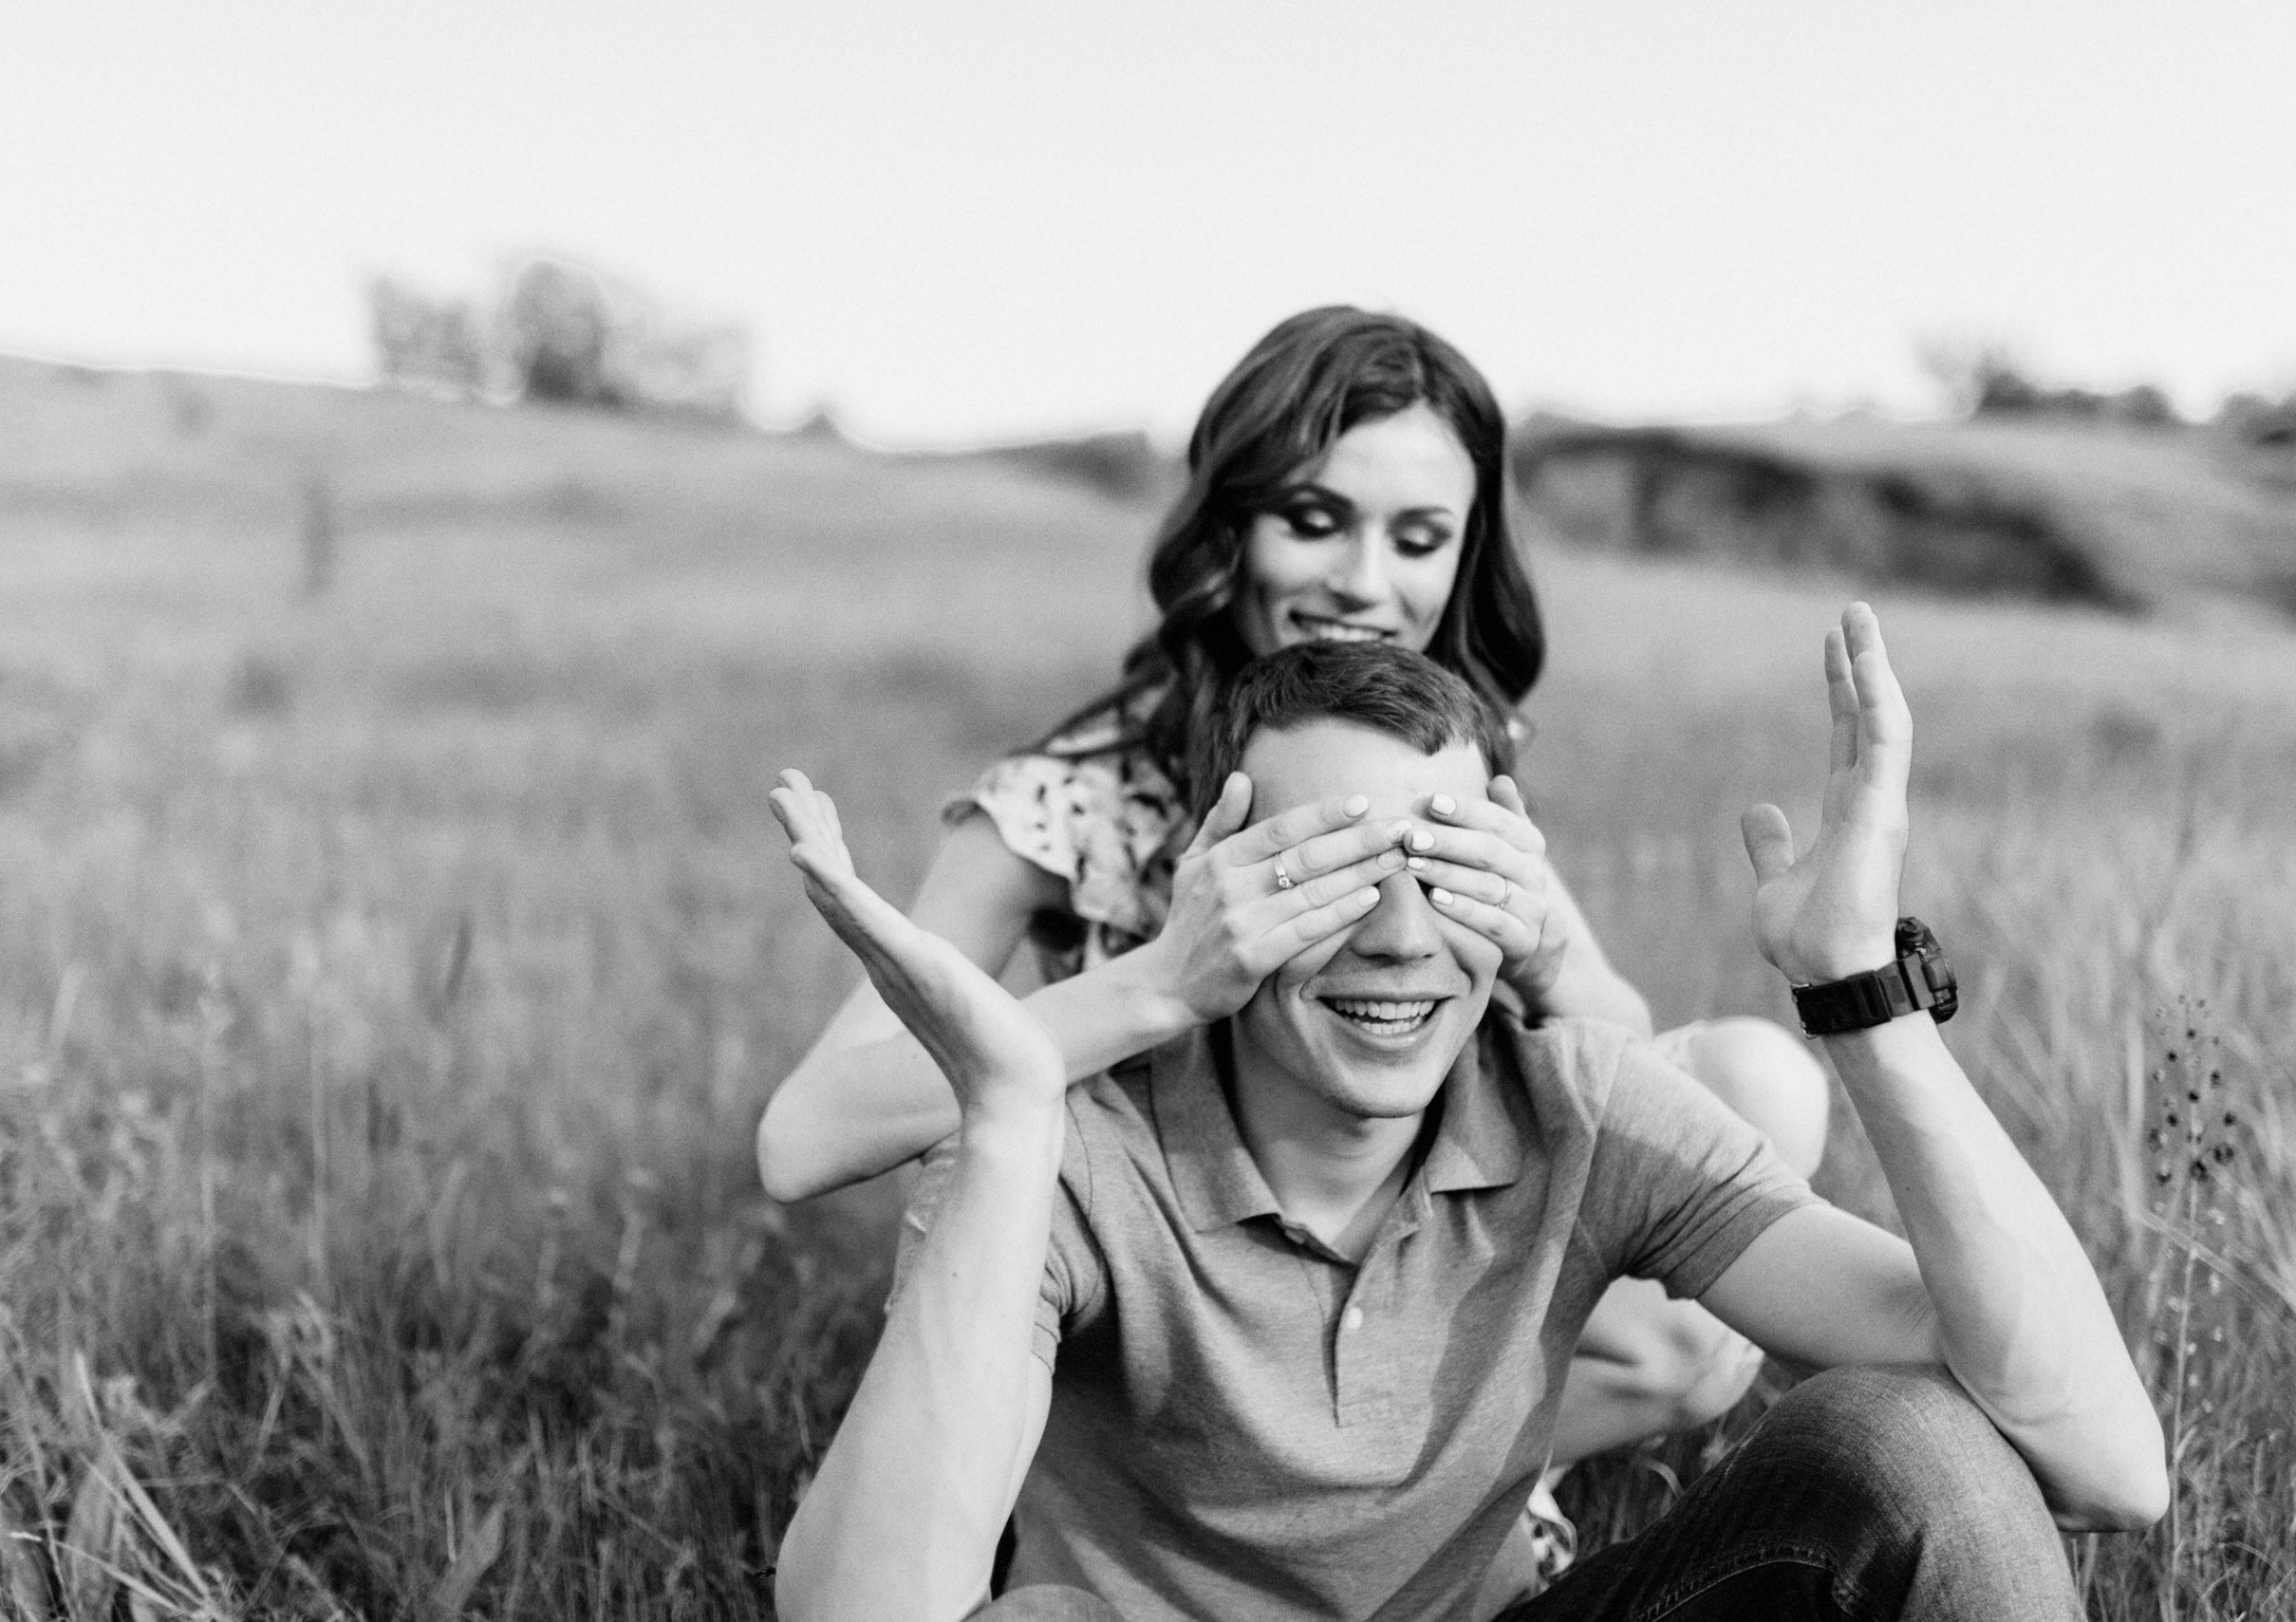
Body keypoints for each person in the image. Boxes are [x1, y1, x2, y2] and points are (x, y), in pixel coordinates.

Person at [766, 617, 2166, 1621]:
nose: (1395, 939)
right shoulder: (1066, 1151)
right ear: (1212, 880)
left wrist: (1865, 996)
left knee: (1912, 1450)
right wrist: (1011, 1112)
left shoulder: (1580, 1106)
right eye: (1326, 871)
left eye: (1441, 868)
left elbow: (2102, 1465)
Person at [756, 309, 1829, 1518]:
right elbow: (802, 1140)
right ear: (1231, 524)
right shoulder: (1076, 798)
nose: (1365, 583)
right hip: (1159, 1341)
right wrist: (1158, 982)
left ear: (1463, 555)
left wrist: (1536, 946)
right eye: (1313, 520)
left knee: (1752, 1099)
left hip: (1411, 1283)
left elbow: (1619, 1061)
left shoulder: (1444, 756)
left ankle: (1438, 1506)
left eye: (1418, 537)